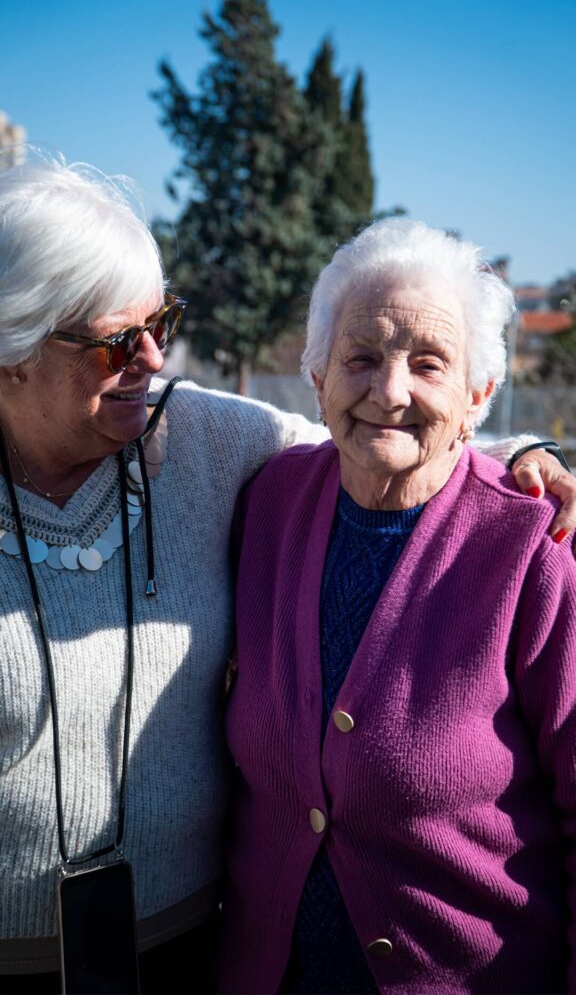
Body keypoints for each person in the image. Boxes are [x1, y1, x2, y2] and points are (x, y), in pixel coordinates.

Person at [0, 159, 572, 994]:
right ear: (13, 352)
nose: (155, 358)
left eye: (161, 322)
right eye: (118, 341)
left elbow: (390, 435)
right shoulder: (268, 499)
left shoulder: (208, 445)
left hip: (194, 951)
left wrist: (521, 455)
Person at [218, 219, 576, 994]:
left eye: (429, 364)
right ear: (317, 376)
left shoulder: (534, 547)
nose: (390, 391)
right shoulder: (267, 505)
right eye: (361, 358)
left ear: (479, 395)